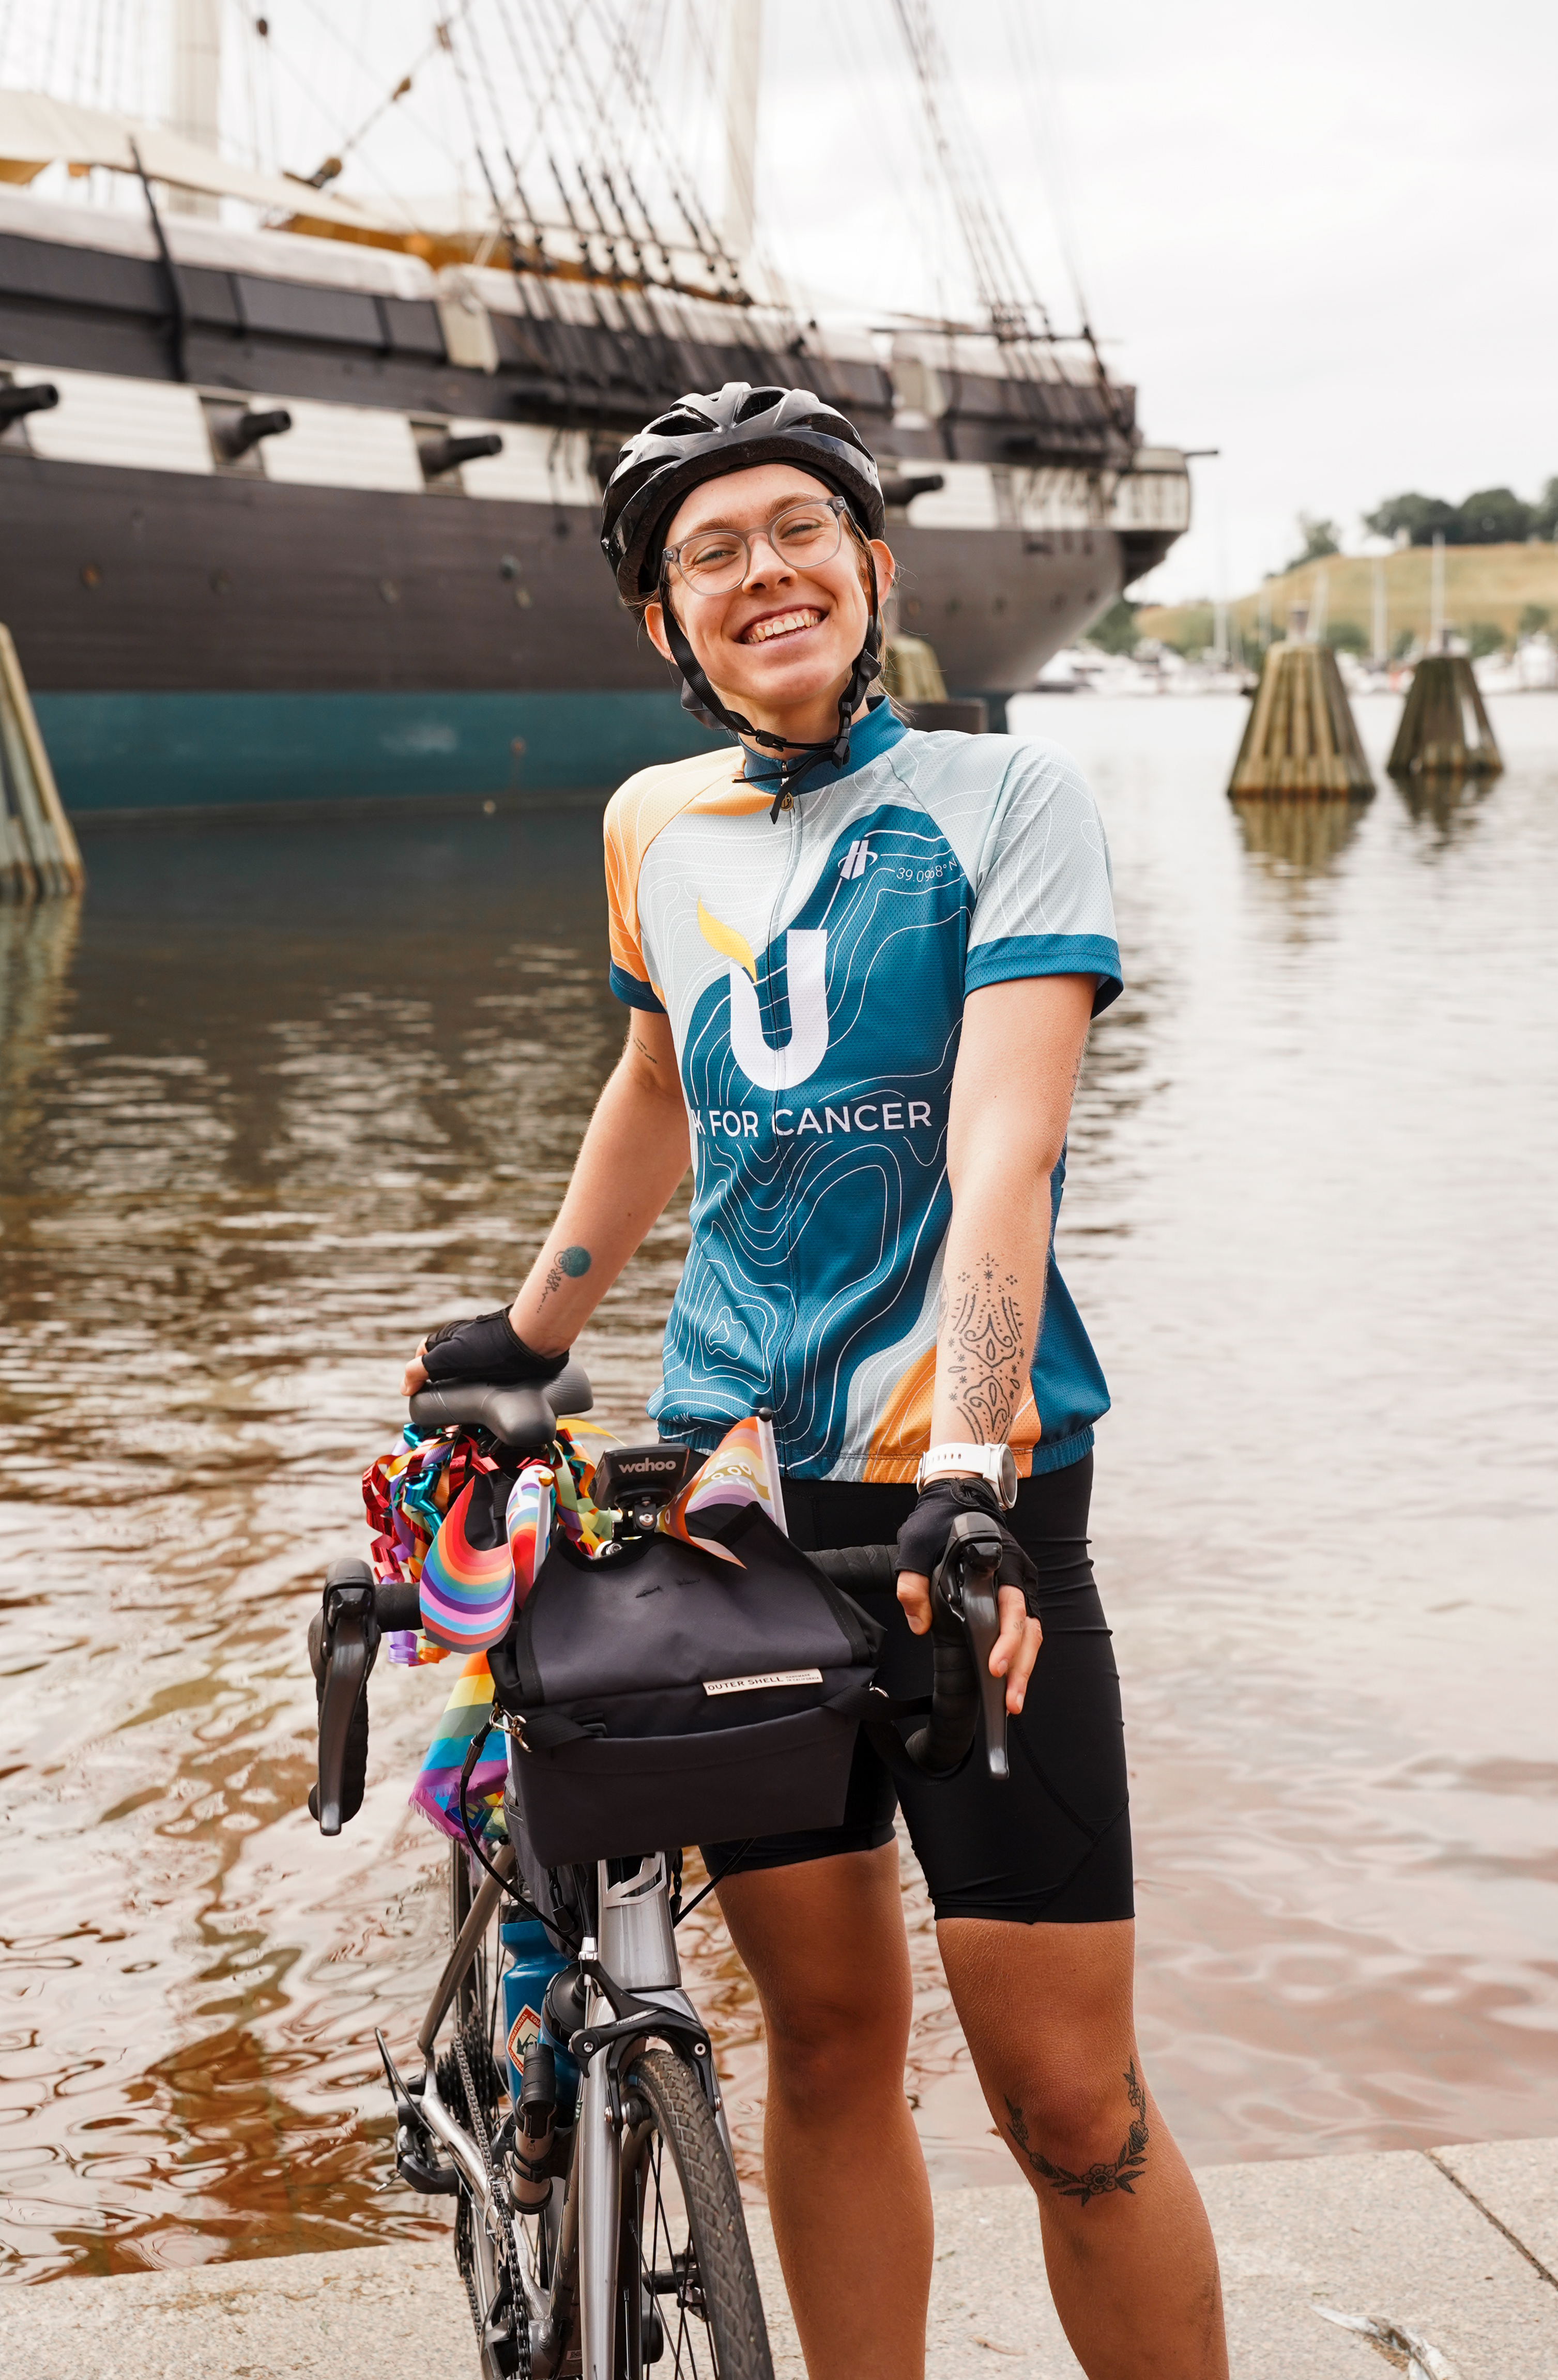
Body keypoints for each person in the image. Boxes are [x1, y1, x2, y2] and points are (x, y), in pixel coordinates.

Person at [403, 383, 1227, 2379]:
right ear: (660, 625)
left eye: (797, 531)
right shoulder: (645, 826)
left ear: (872, 567)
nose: (761, 572)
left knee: (1067, 2101)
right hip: (727, 1498)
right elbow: (660, 1078)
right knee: (833, 2042)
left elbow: (1001, 1152)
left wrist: (965, 1466)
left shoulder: (1001, 802)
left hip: (962, 1494)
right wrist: (532, 1334)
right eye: (709, 554)